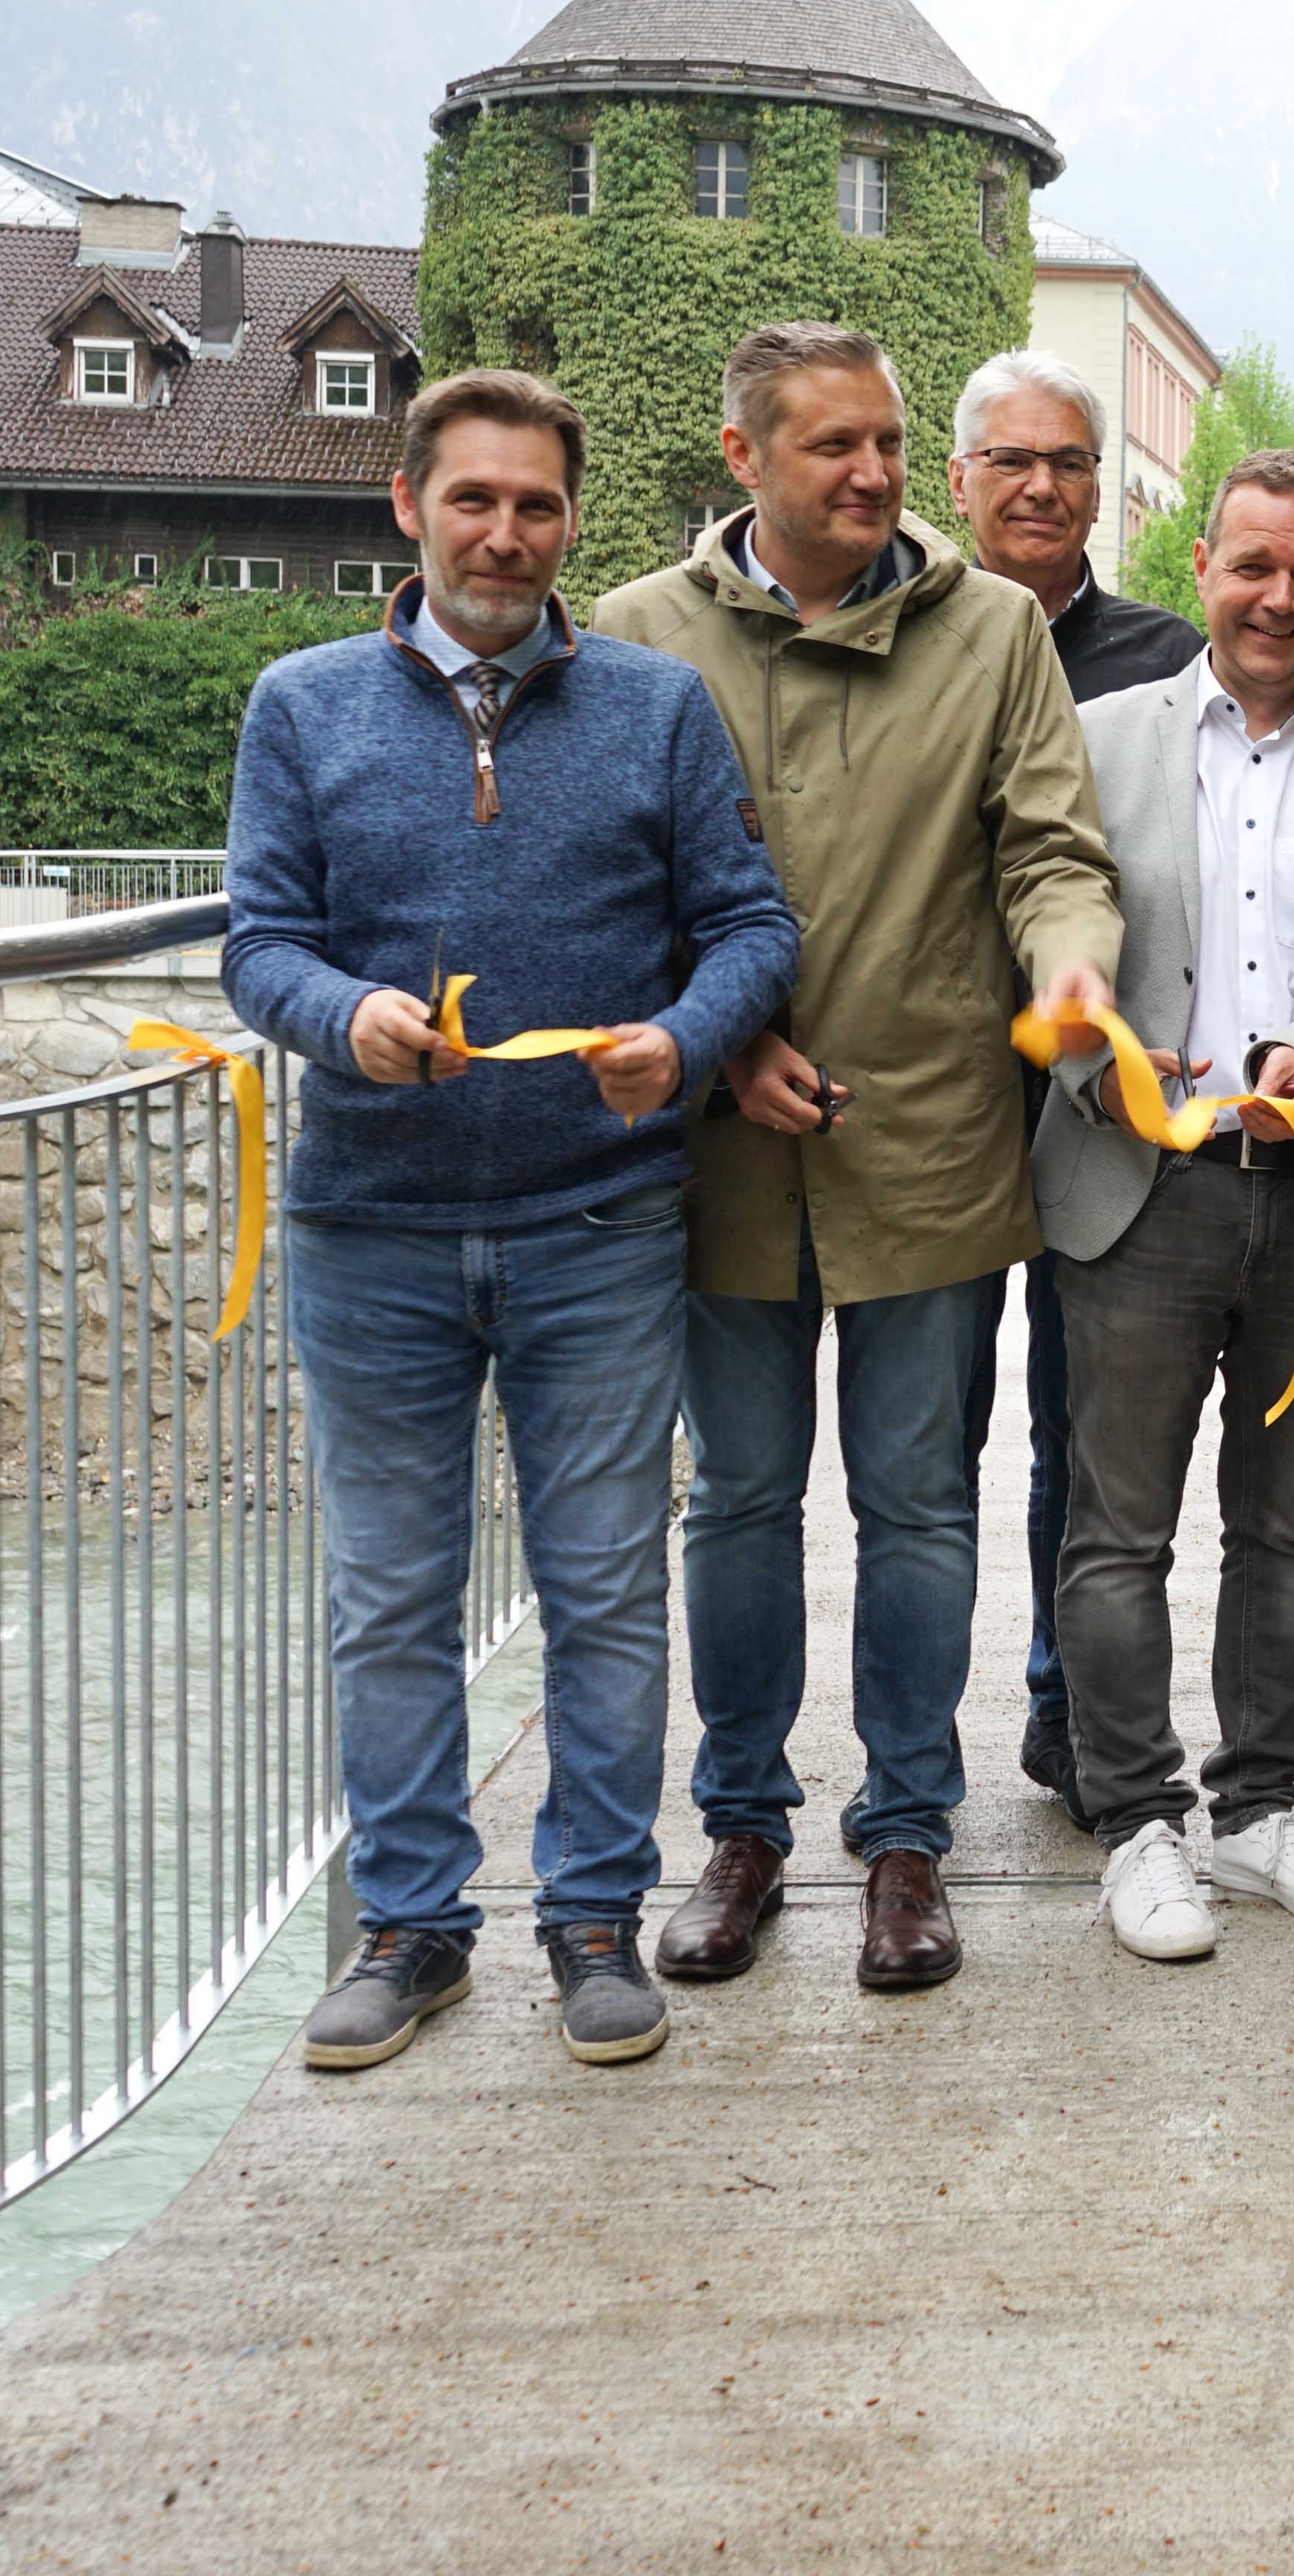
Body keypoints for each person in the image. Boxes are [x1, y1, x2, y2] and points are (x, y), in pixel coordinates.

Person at [230, 367, 798, 2073]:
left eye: (535, 505)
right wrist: (344, 1019)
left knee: (607, 1589)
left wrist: (683, 1045)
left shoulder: (657, 707)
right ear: (407, 506)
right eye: (472, 497)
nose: (503, 531)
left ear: (571, 524)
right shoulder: (302, 703)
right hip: (370, 1231)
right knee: (391, 1596)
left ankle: (592, 1920)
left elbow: (749, 927)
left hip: (599, 1222)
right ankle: (412, 1929)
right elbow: (260, 942)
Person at [588, 323, 1121, 2002]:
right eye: (834, 446)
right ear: (742, 457)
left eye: (890, 440)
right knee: (735, 1503)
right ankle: (740, 1826)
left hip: (936, 1148)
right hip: (718, 1161)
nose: (877, 473)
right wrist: (709, 1038)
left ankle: (906, 1838)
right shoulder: (636, 637)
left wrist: (1072, 965)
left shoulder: (993, 631)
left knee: (921, 1507)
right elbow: (602, 893)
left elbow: (1052, 849)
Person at [1035, 450, 1294, 1960]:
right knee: (1117, 1529)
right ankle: (1137, 1823)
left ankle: (1259, 1805)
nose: (1281, 597)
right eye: (1254, 564)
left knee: (1288, 1531)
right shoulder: (1091, 739)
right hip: (1140, 1180)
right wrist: (1095, 1053)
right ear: (1201, 563)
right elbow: (1038, 920)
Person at [936, 346, 1205, 1830]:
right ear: (960, 477)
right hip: (938, 1101)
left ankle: (1061, 1703)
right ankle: (914, 1746)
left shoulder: (1168, 652)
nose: (1044, 487)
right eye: (1015, 462)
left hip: (1110, 1099)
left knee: (1079, 1426)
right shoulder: (914, 632)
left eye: (1072, 465)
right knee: (932, 1438)